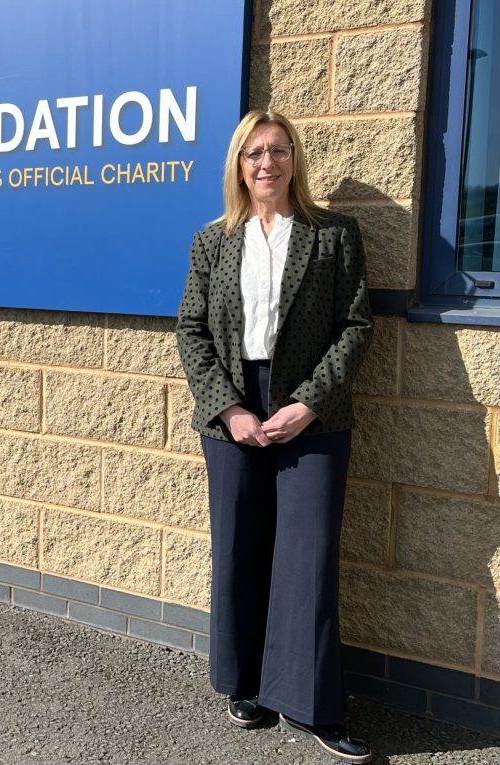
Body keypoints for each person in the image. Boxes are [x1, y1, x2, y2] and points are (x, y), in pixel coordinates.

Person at [176, 111, 373, 763]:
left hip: (313, 412)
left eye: (279, 150)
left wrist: (310, 403)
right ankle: (244, 683)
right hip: (233, 408)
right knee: (240, 545)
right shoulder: (213, 241)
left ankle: (314, 704)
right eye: (254, 152)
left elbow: (355, 326)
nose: (267, 163)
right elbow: (191, 331)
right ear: (239, 164)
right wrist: (229, 408)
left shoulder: (332, 235)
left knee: (307, 554)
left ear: (295, 159)